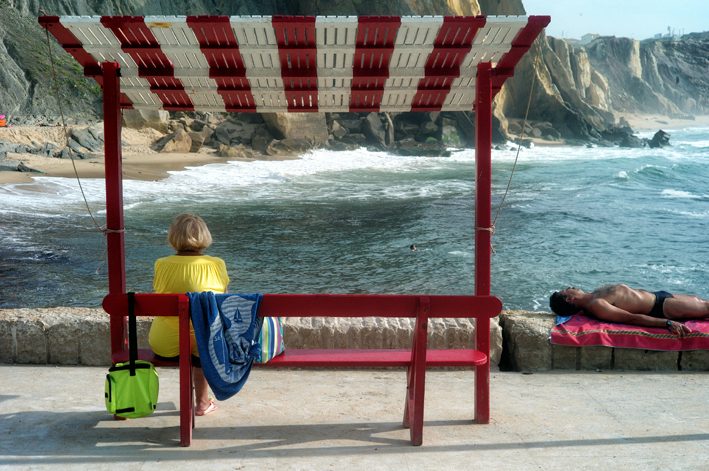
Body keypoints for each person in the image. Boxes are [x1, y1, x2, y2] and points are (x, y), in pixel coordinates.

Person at [148, 213, 230, 416]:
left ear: (173, 236)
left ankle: (200, 401)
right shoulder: (217, 264)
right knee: (202, 343)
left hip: (165, 343)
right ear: (204, 235)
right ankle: (202, 403)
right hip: (208, 344)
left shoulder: (161, 264)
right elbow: (224, 300)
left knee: (193, 339)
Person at [549, 284, 709, 337]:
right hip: (661, 307)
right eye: (566, 290)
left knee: (700, 301)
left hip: (659, 295)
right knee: (705, 308)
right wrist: (667, 323)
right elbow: (631, 318)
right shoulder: (597, 305)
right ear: (570, 299)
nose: (570, 287)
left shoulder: (593, 296)